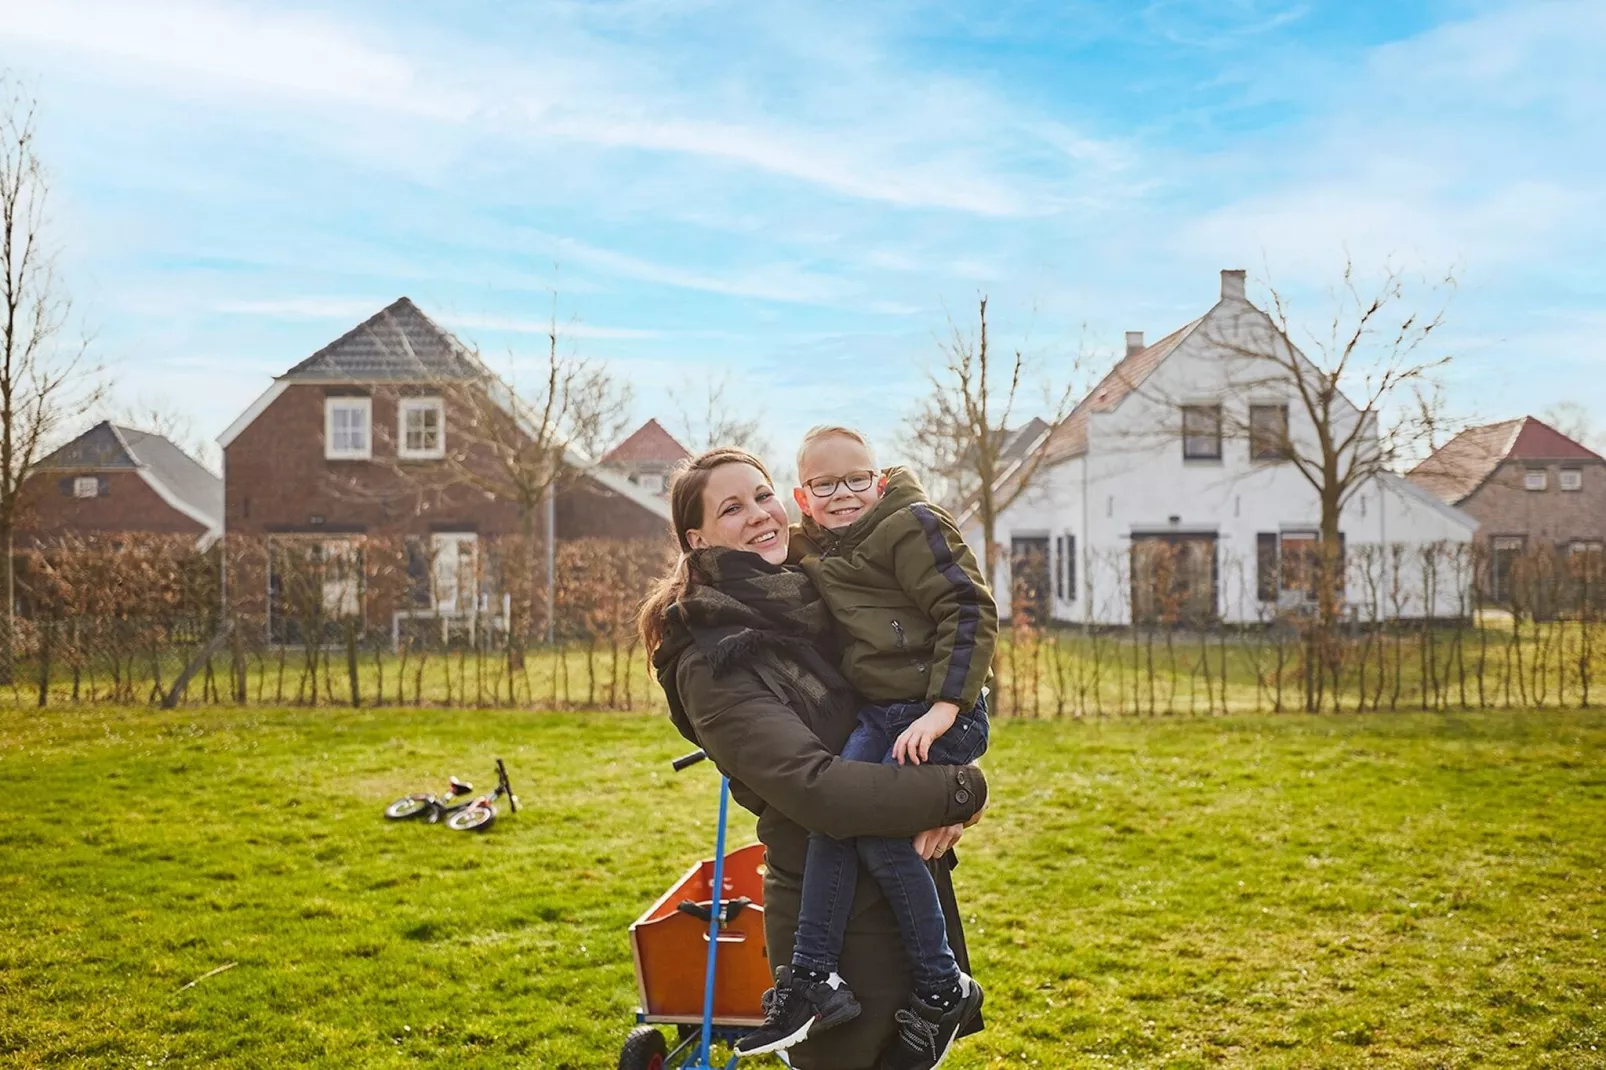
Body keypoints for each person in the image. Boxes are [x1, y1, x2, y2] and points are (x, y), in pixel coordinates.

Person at [640, 447, 987, 1070]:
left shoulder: (820, 595)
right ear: (697, 538)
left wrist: (944, 790)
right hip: (837, 931)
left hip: (910, 893)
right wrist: (961, 792)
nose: (759, 515)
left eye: (762, 494)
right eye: (732, 508)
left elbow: (922, 679)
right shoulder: (711, 659)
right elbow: (817, 788)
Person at [735, 426, 995, 1069]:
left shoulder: (909, 524)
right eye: (825, 485)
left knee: (875, 832)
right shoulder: (818, 548)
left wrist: (944, 710)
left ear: (879, 480)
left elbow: (968, 608)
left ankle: (942, 985)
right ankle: (815, 975)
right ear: (804, 496)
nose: (844, 493)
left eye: (857, 479)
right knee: (838, 820)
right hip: (886, 713)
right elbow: (754, 551)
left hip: (936, 711)